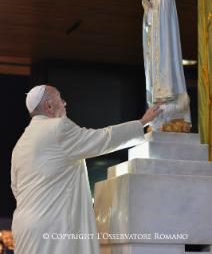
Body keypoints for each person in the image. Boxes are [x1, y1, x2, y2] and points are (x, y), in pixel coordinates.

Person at [11, 85, 162, 254]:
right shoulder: (57, 128)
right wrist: (142, 123)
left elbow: (16, 188)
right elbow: (102, 139)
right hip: (54, 227)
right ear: (49, 106)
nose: (65, 102)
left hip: (24, 226)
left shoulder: (20, 144)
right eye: (60, 98)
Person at [141, 0, 191, 131]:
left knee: (166, 72)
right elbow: (150, 25)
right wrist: (147, 12)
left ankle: (168, 103)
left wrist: (151, 10)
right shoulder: (155, 0)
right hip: (156, 48)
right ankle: (158, 105)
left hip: (165, 46)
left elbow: (163, 22)